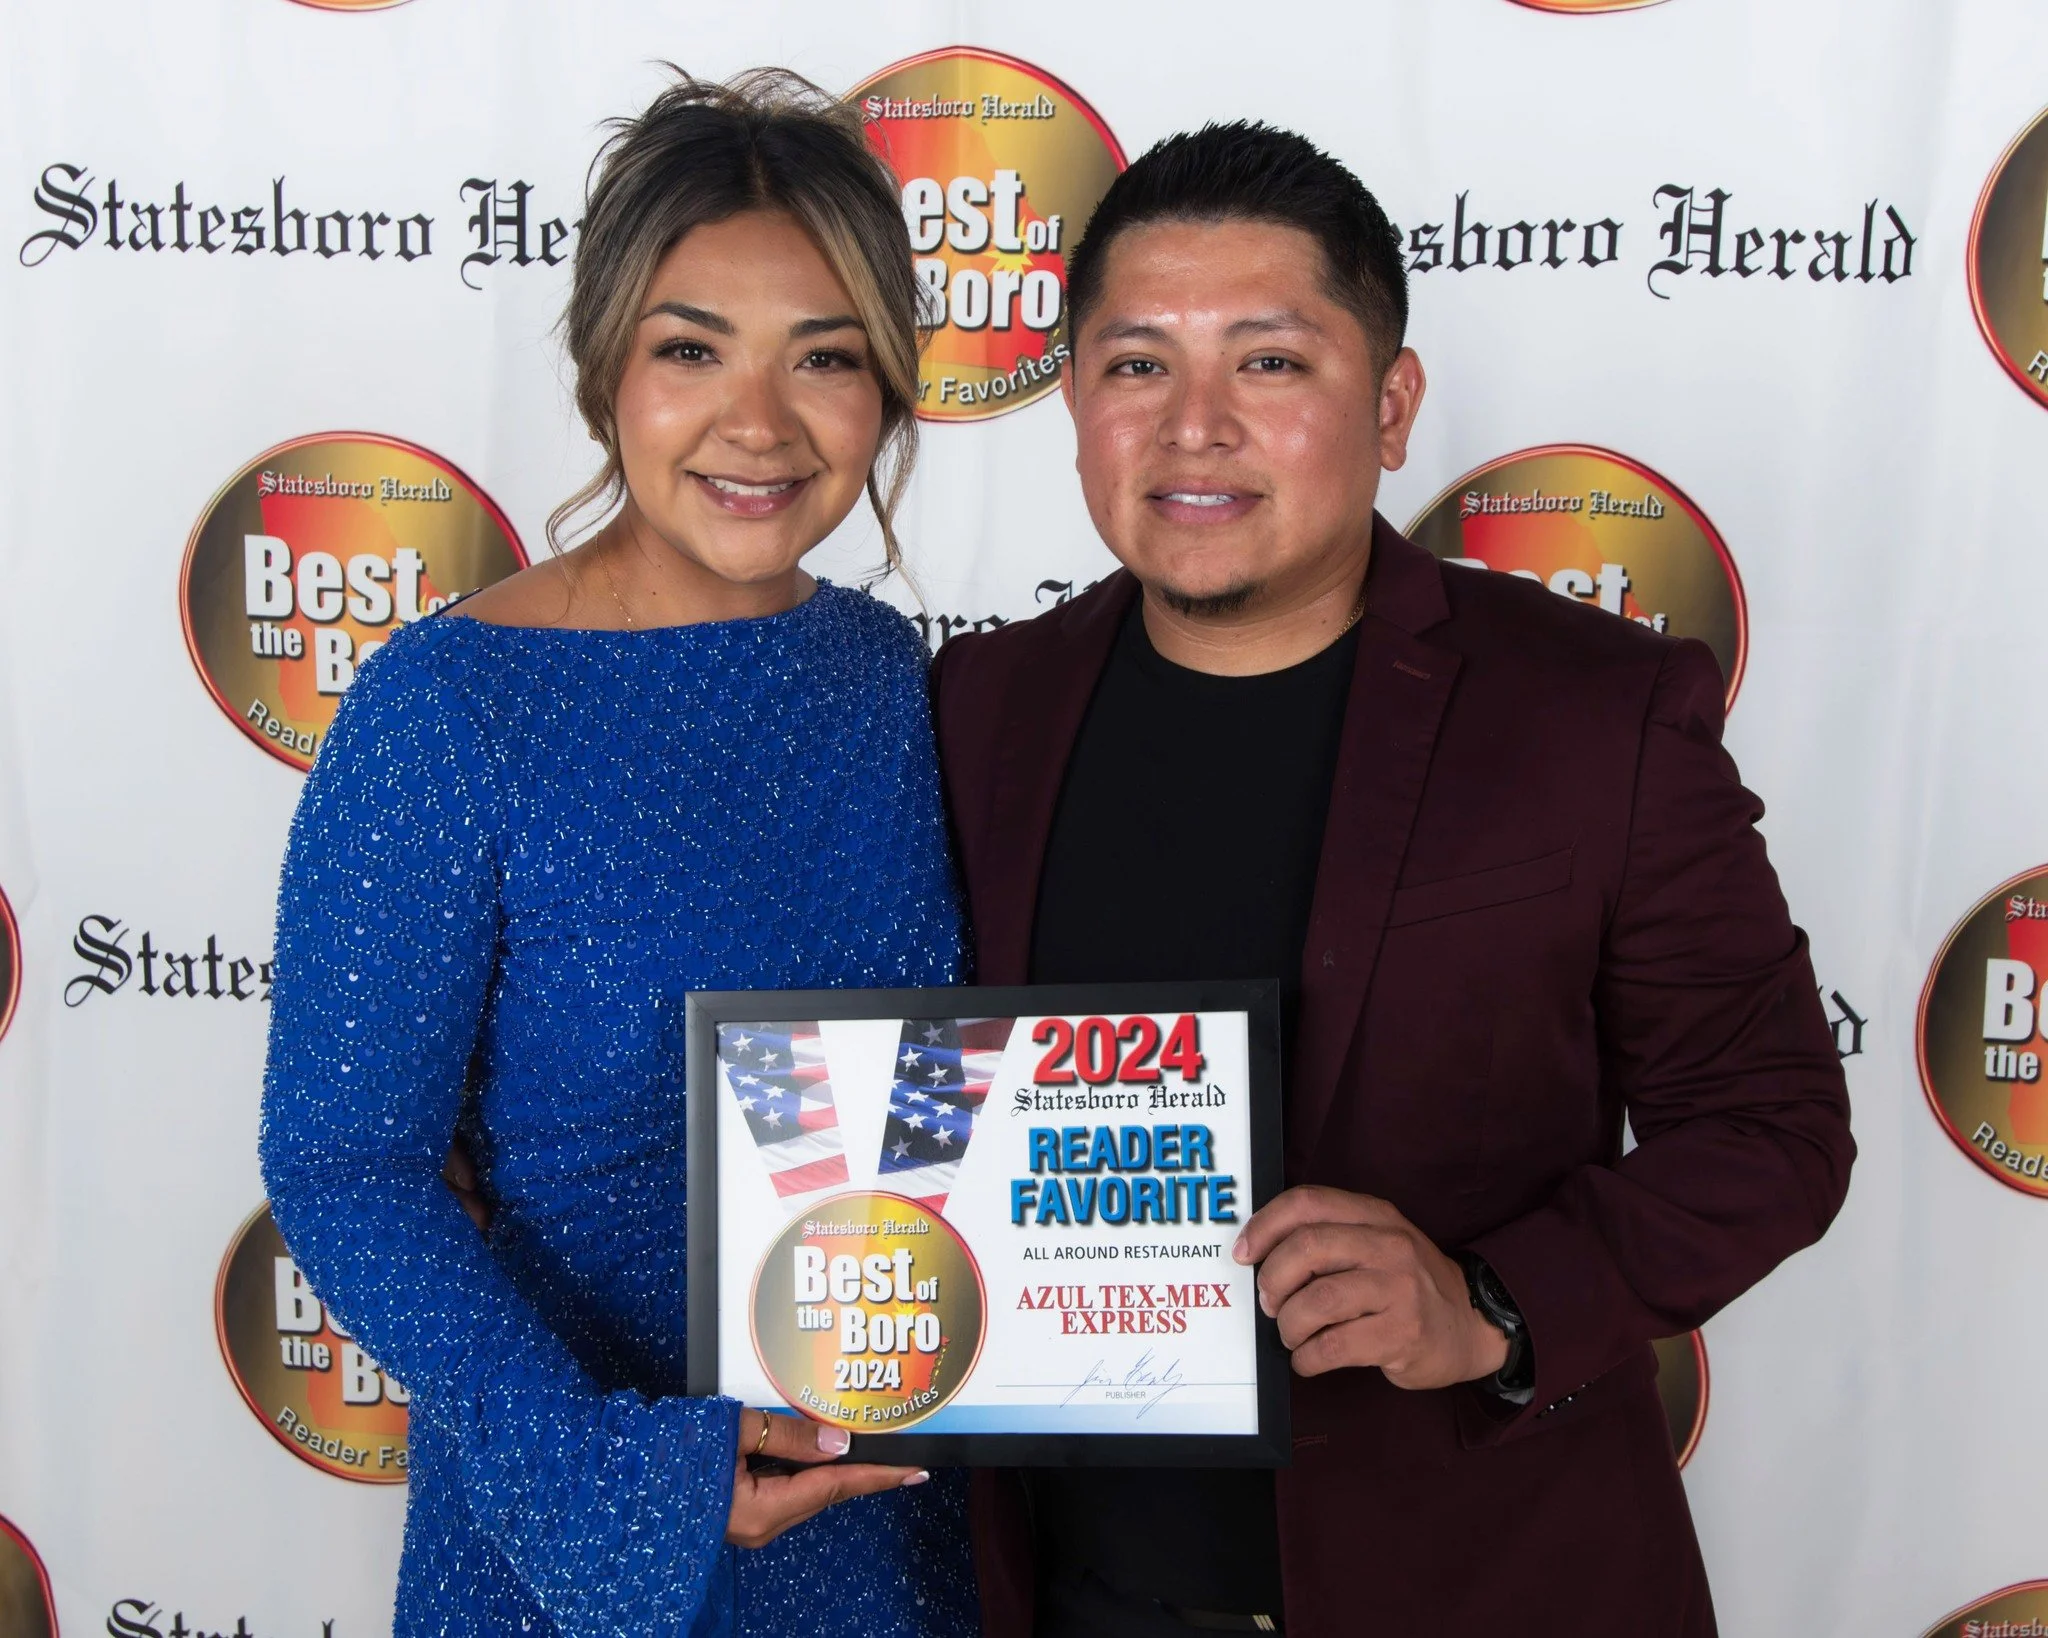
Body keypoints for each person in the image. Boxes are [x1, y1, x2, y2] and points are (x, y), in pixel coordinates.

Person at [929, 123, 1856, 1637]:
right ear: (1078, 403)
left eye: (1270, 363)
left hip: (1486, 1586)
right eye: (1138, 365)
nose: (1195, 426)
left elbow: (1773, 1127)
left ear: (1394, 403)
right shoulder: (979, 706)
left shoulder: (1598, 712)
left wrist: (1489, 1304)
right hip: (1080, 1595)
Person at [259, 70, 979, 1638]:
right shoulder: (449, 707)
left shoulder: (885, 674)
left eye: (824, 357)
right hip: (583, 1530)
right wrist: (613, 1476)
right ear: (605, 372)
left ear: (887, 387)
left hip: (888, 1516)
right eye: (690, 349)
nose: (759, 423)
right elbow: (346, 1165)